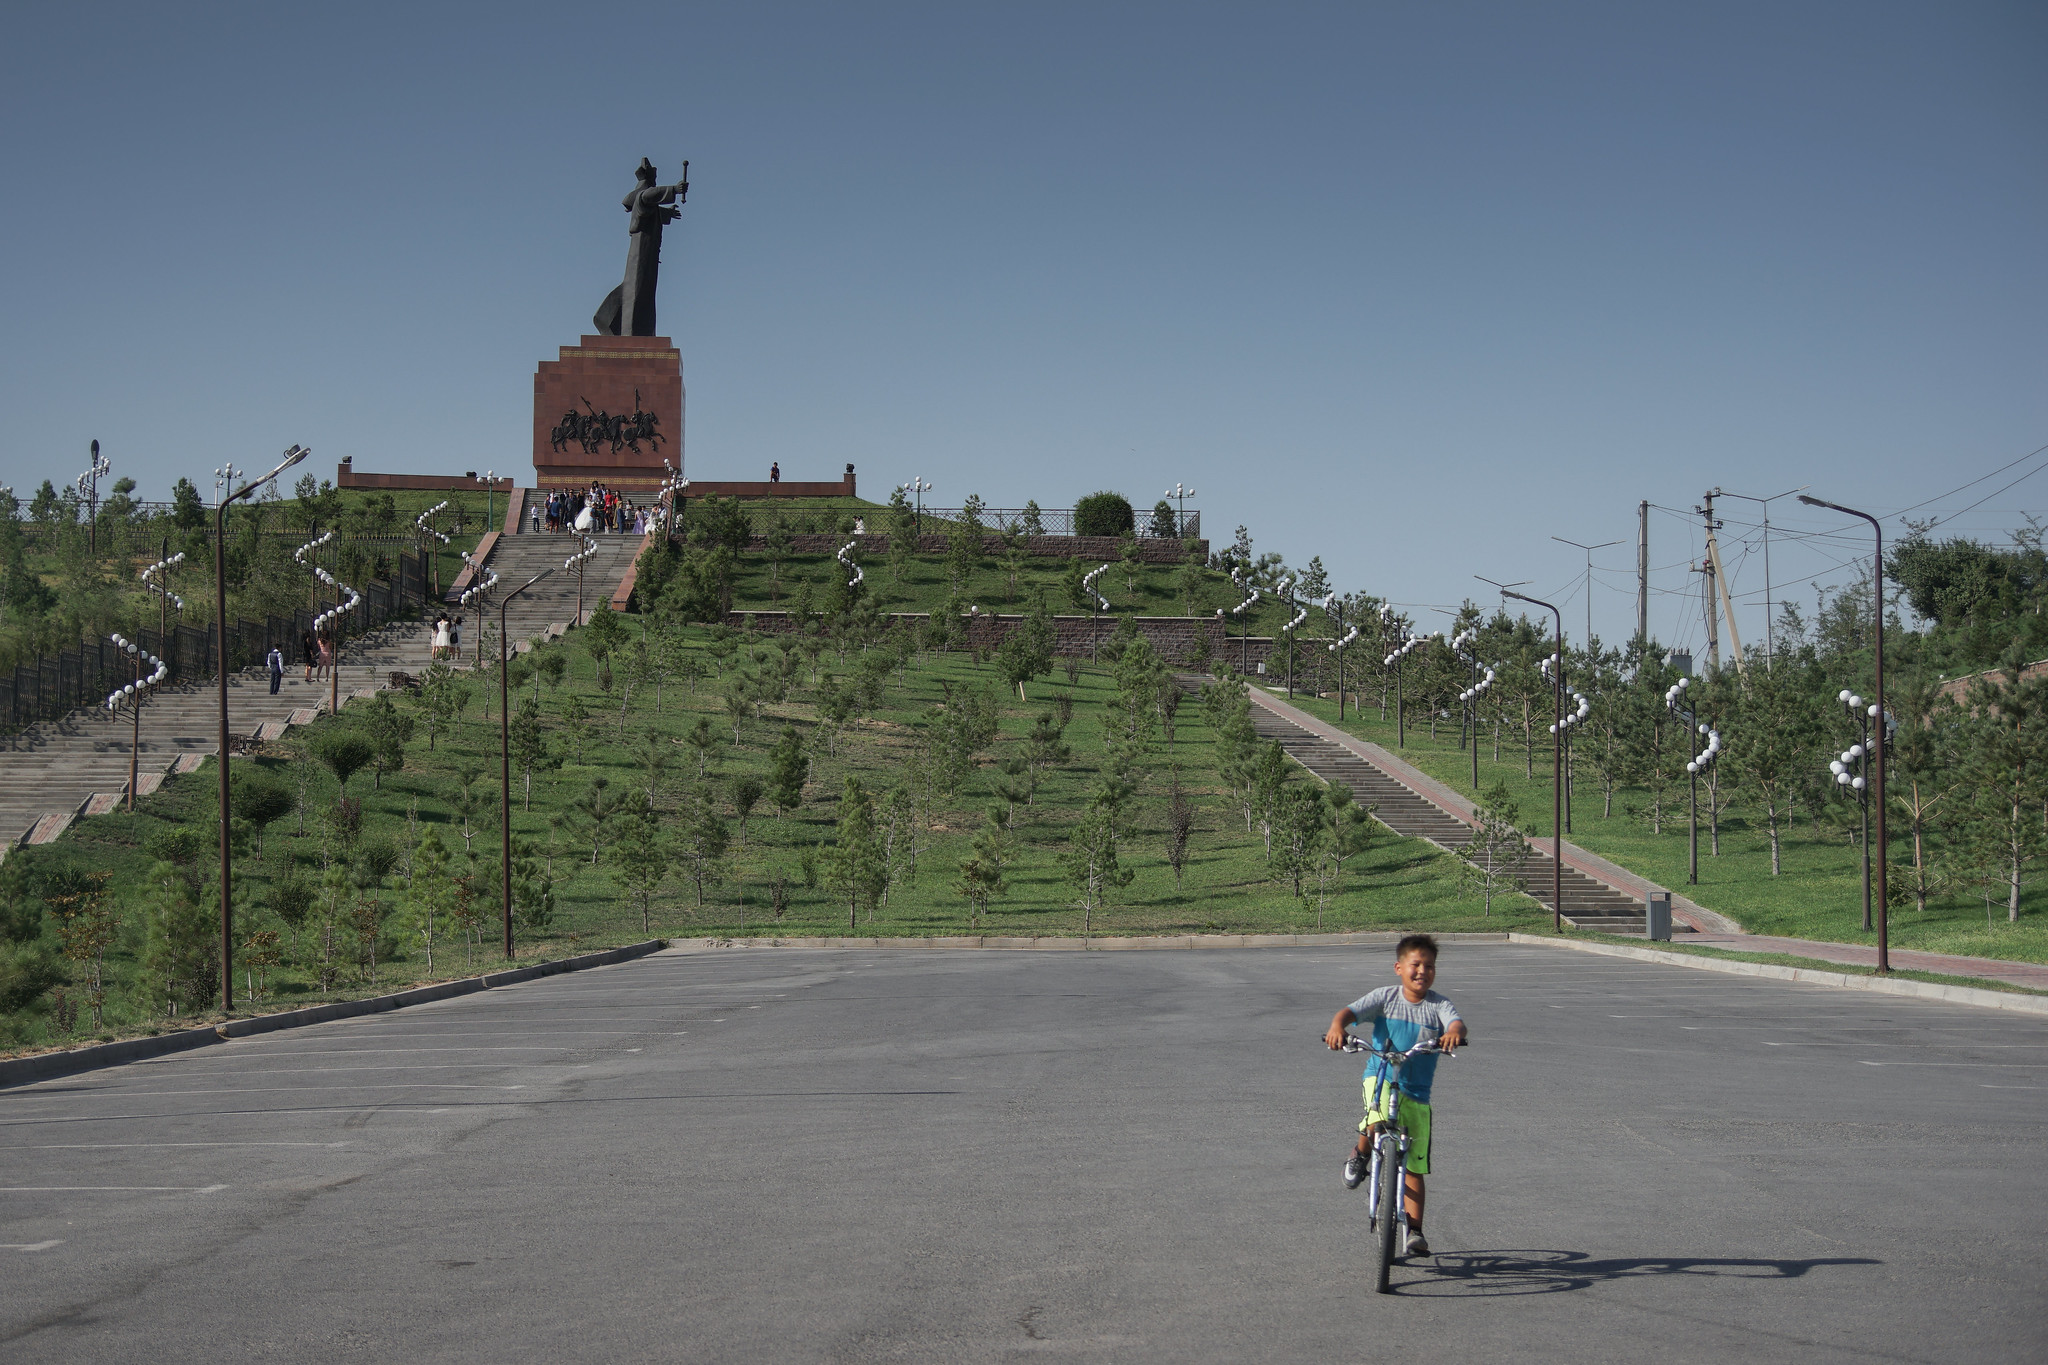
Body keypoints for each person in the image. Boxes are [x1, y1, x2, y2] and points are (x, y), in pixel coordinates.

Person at [1323, 934, 1467, 1260]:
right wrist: (1337, 1027)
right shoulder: (1385, 998)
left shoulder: (1439, 1005)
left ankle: (1414, 1230)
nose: (1422, 972)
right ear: (1399, 967)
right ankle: (1360, 1155)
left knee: (1414, 1165)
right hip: (1381, 1075)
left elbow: (1455, 1023)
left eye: (1429, 966)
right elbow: (1349, 1013)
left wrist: (1455, 1033)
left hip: (1417, 1092)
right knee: (1375, 1120)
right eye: (1415, 965)